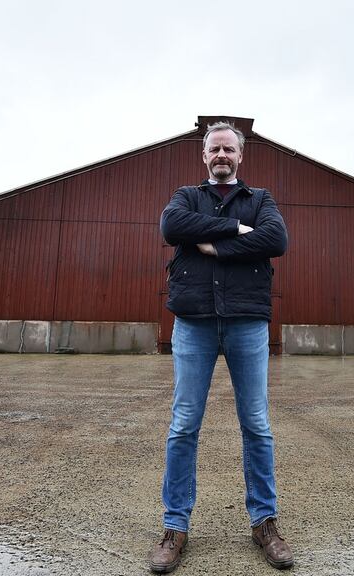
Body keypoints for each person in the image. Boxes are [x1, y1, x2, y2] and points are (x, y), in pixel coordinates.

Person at [149, 121, 293, 573]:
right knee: (183, 424)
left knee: (257, 424)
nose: (222, 155)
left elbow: (276, 239)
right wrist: (235, 229)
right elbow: (172, 226)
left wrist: (214, 247)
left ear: (240, 155)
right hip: (193, 322)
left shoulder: (261, 199)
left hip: (247, 321)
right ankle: (175, 526)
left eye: (229, 149)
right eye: (215, 149)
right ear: (205, 156)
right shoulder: (186, 196)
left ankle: (264, 522)